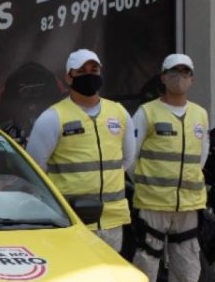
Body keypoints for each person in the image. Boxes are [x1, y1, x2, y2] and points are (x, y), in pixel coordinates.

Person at [126, 53, 210, 282]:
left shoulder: (200, 115)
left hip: (187, 206)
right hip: (153, 203)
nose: (180, 76)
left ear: (192, 78)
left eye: (186, 72)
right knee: (146, 263)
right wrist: (148, 184)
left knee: (187, 267)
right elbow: (129, 158)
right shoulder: (147, 113)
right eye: (174, 72)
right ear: (162, 77)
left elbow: (201, 158)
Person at [25, 49, 135, 250]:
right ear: (69, 77)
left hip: (112, 221)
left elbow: (127, 159)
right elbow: (35, 167)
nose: (89, 75)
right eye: (82, 70)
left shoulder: (118, 112)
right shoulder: (53, 117)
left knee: (109, 280)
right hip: (73, 221)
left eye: (94, 69)